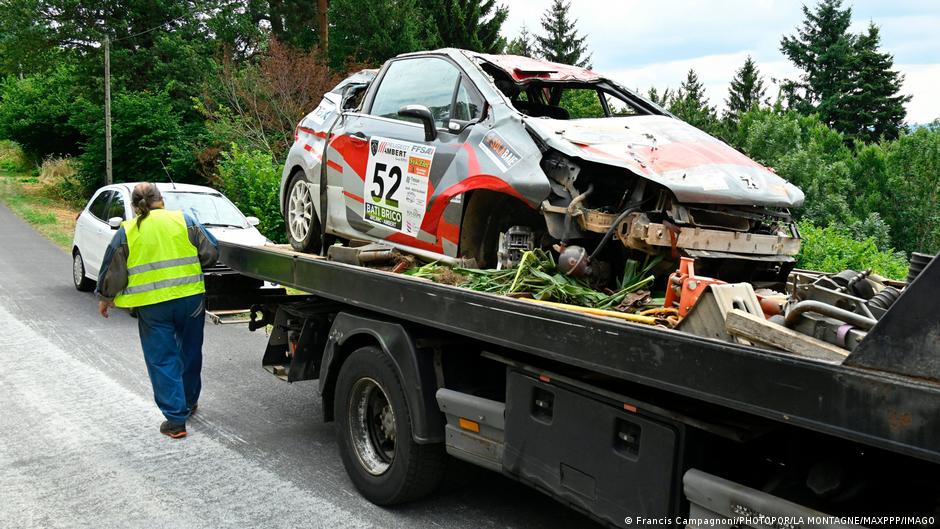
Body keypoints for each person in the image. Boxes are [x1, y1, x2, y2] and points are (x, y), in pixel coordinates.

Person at [97, 183, 218, 439]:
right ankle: (188, 401)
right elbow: (211, 252)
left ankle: (175, 420)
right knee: (190, 350)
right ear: (161, 199)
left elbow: (113, 268)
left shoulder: (127, 231)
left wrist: (106, 298)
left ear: (134, 205)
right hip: (190, 300)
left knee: (162, 358)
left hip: (153, 306)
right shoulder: (184, 220)